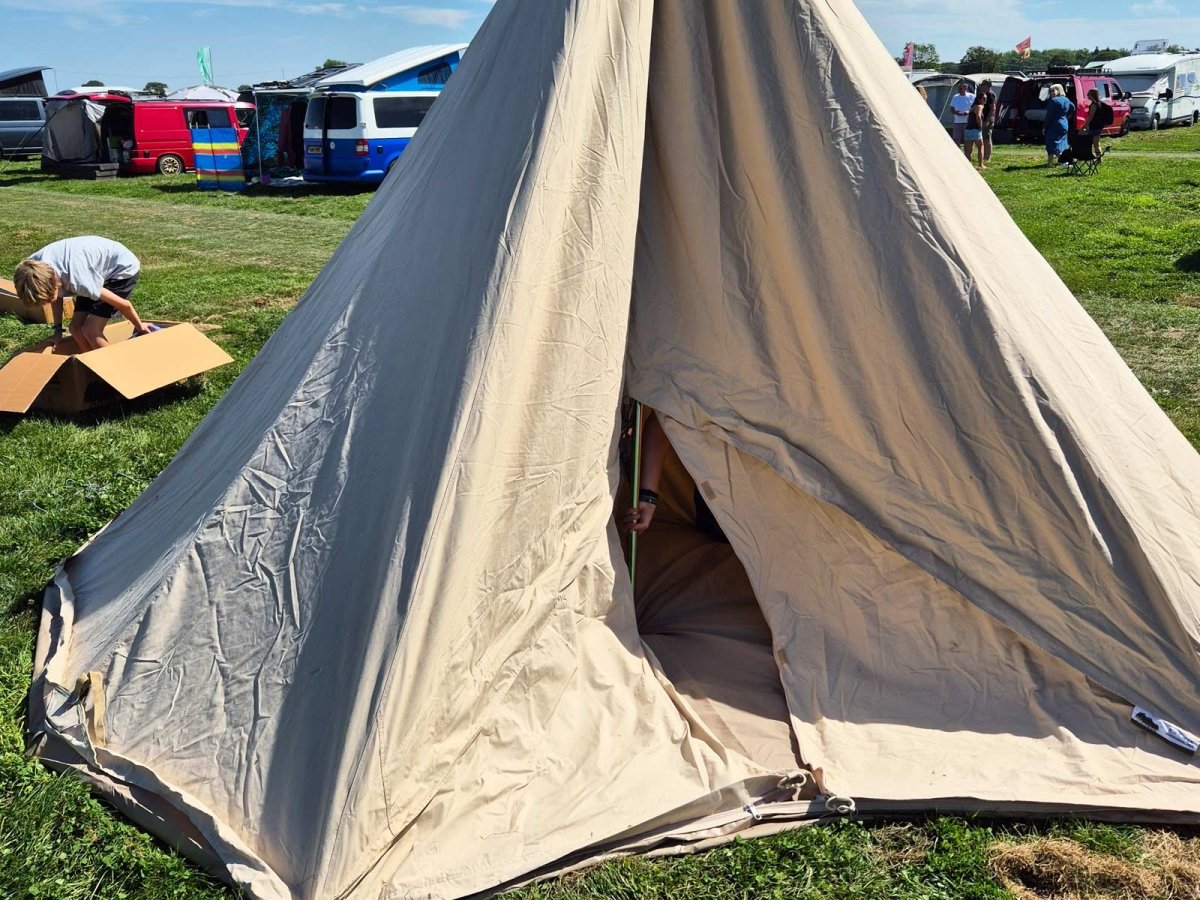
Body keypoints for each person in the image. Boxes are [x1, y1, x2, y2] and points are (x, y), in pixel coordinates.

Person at [13, 236, 151, 351]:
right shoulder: (31, 271)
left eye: (50, 298)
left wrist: (140, 327)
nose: (51, 302)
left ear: (55, 281)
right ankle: (90, 367)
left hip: (120, 270)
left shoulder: (78, 280)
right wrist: (57, 332)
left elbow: (124, 305)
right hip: (90, 268)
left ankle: (117, 375)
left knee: (91, 330)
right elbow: (58, 296)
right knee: (75, 328)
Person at [1044, 84, 1075, 165]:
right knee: (1063, 144)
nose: (1050, 93)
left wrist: (1044, 127)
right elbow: (1073, 108)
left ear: (1058, 90)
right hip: (1064, 123)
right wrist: (1067, 117)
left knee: (1051, 143)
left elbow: (1049, 116)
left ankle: (1061, 161)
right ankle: (1053, 162)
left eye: (1052, 90)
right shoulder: (1066, 99)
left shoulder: (1053, 101)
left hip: (1054, 125)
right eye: (1050, 91)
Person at [1082, 88, 1111, 157]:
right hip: (1098, 126)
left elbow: (1090, 117)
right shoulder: (1099, 103)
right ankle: (1098, 159)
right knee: (1096, 143)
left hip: (1094, 126)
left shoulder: (1094, 105)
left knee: (1094, 144)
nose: (1087, 95)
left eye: (1088, 94)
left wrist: (1085, 126)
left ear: (1092, 95)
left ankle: (1097, 158)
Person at [949, 81, 974, 148]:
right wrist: (956, 113)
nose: (959, 90)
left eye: (961, 88)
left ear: (965, 88)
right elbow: (951, 109)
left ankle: (967, 153)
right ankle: (958, 152)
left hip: (968, 122)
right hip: (957, 122)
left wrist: (968, 112)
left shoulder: (972, 96)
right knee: (956, 139)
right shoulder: (955, 97)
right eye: (958, 88)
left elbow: (976, 107)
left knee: (967, 140)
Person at [964, 93, 986, 170]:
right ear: (979, 99)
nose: (985, 100)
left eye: (985, 99)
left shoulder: (972, 107)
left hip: (968, 129)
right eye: (983, 98)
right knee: (980, 147)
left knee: (968, 149)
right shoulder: (979, 106)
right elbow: (978, 116)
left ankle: (968, 165)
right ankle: (981, 164)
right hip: (975, 129)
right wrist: (980, 126)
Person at [978, 79, 998, 164]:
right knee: (981, 138)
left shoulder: (991, 95)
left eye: (984, 85)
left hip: (988, 119)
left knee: (987, 138)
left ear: (988, 86)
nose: (982, 87)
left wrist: (987, 120)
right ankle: (983, 155)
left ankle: (987, 157)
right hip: (981, 118)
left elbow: (993, 108)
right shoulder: (981, 94)